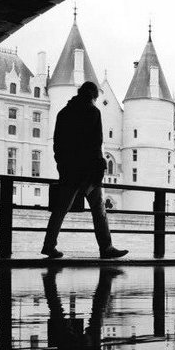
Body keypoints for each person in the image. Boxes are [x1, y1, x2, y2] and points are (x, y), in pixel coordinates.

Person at [42, 81, 128, 260]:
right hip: (87, 173)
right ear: (94, 97)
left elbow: (58, 144)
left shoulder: (63, 113)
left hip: (69, 171)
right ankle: (106, 247)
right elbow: (96, 144)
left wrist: (62, 165)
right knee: (98, 209)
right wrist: (98, 169)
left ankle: (49, 245)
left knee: (60, 209)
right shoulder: (92, 112)